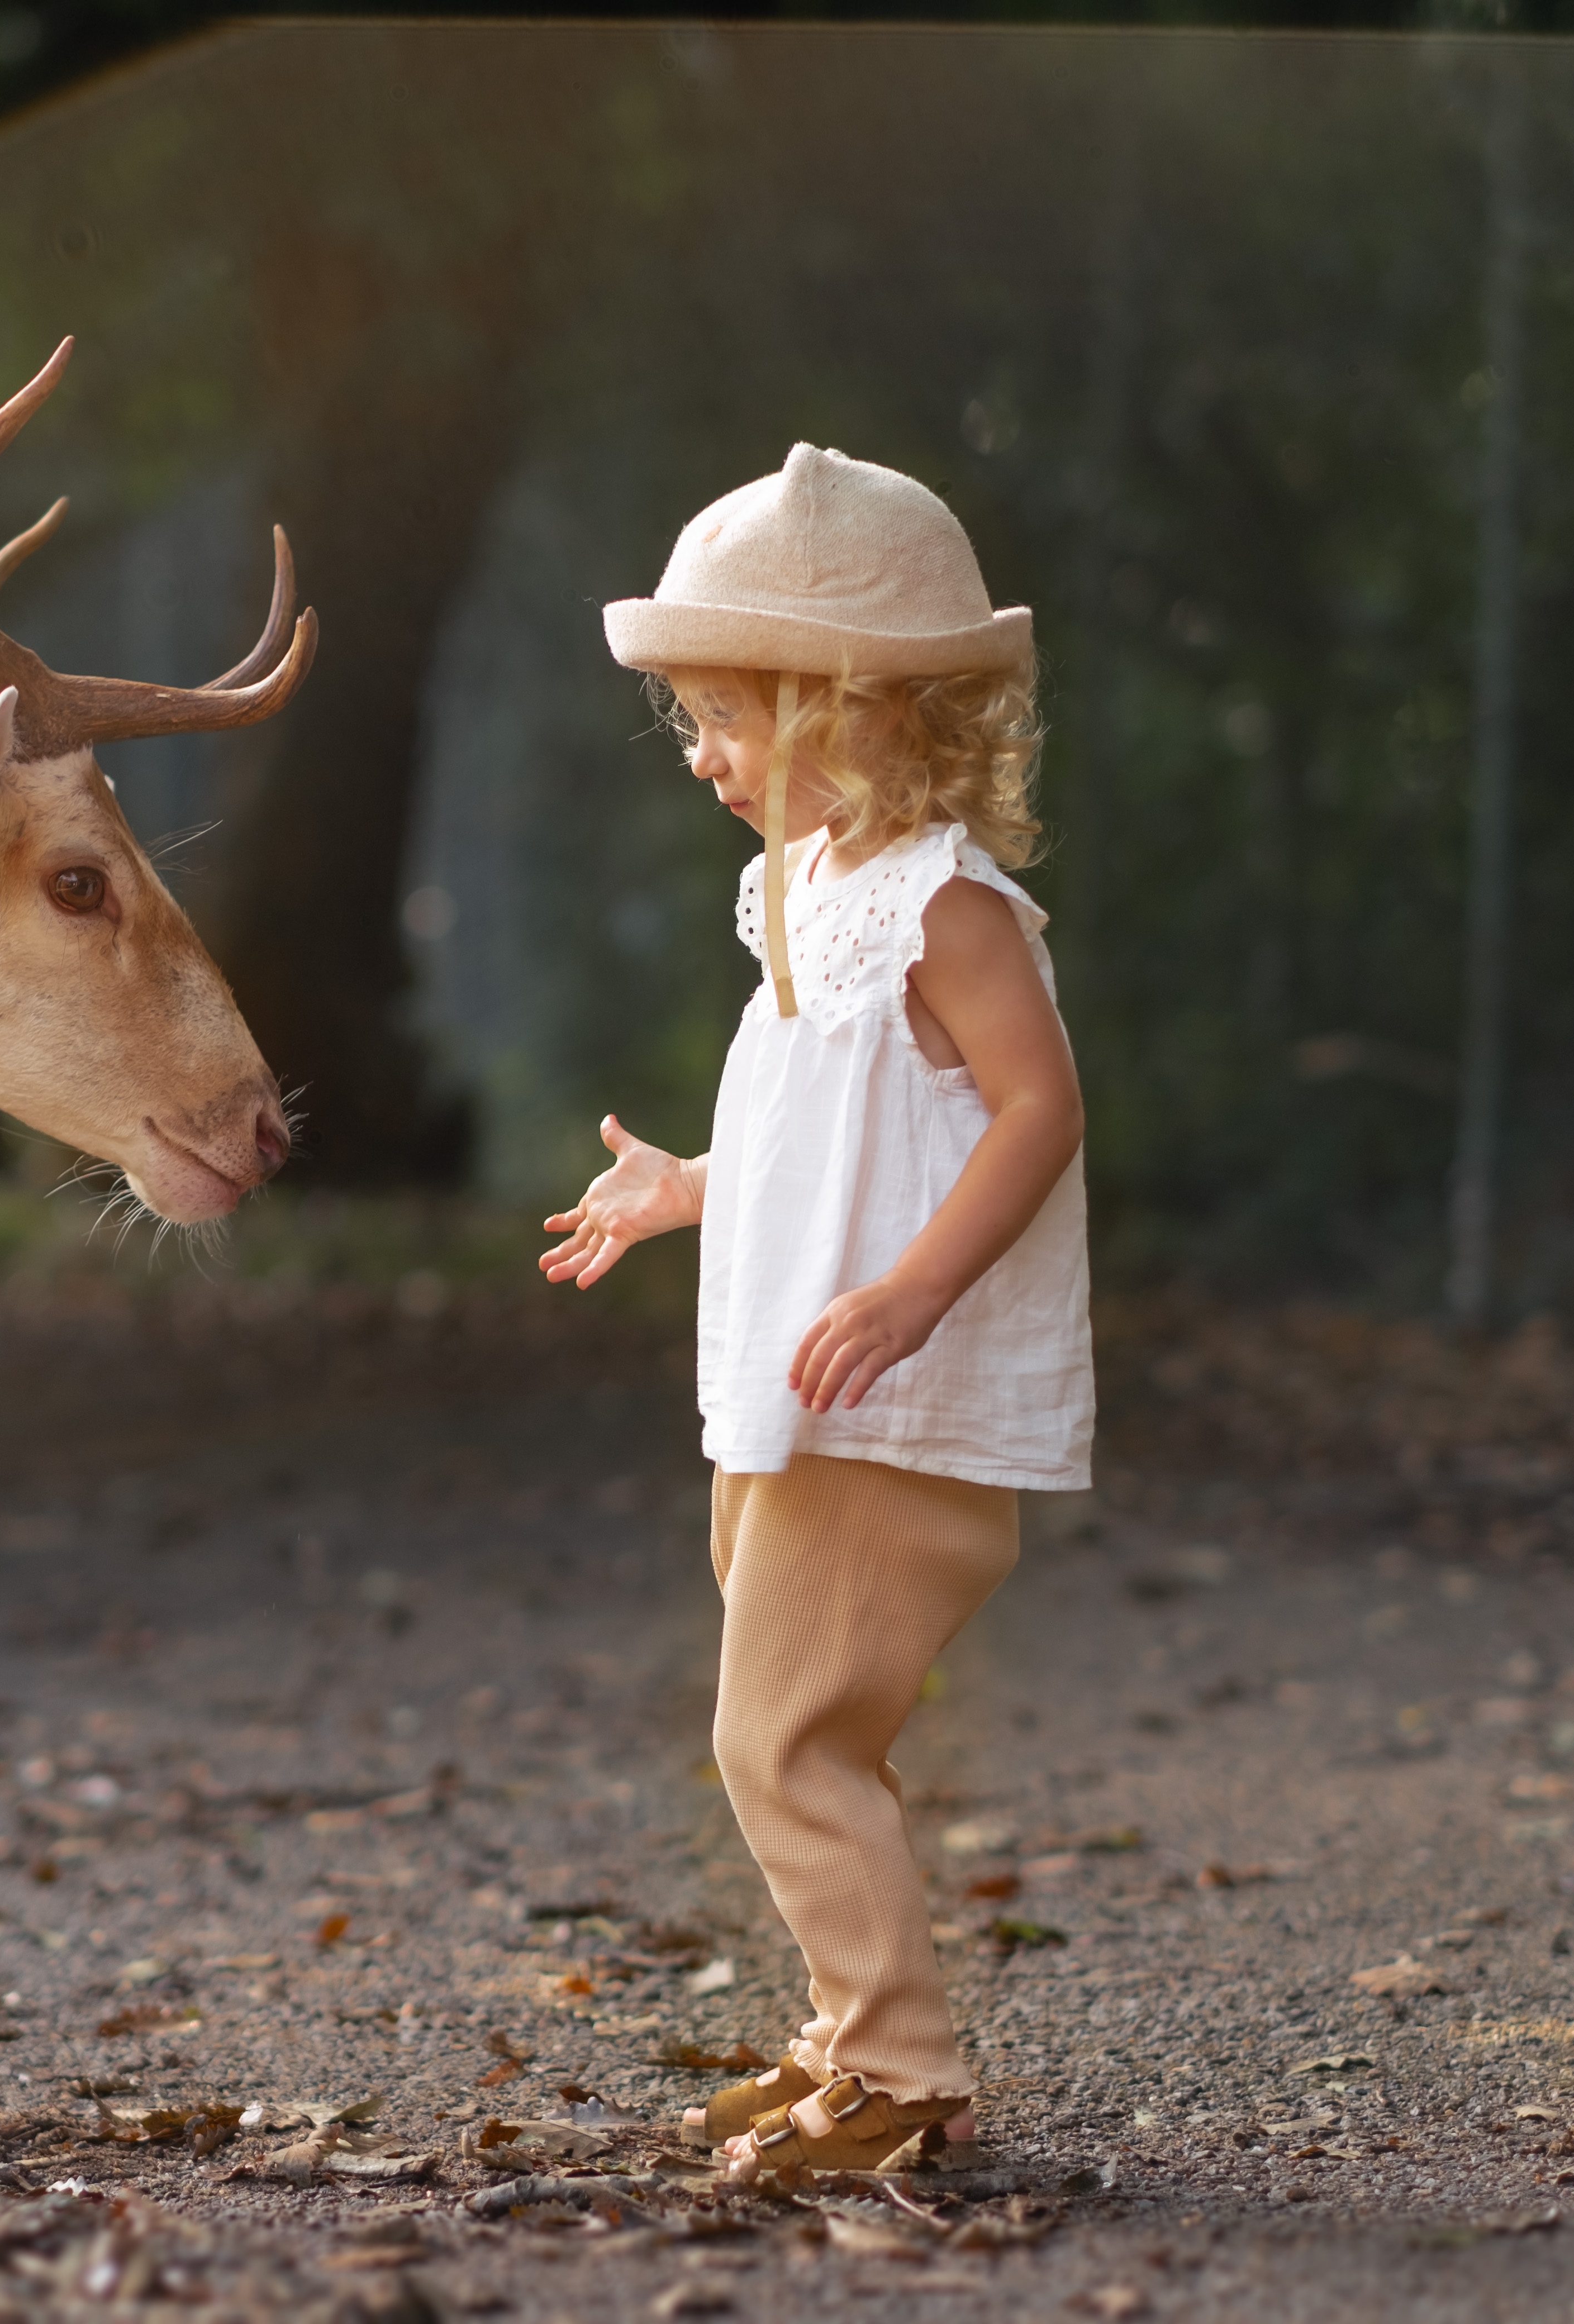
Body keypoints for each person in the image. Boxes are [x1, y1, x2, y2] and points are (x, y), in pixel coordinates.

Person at [539, 444, 1093, 2179]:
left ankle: (903, 2072)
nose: (697, 755)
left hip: (884, 1408)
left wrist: (920, 1291)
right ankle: (853, 2040)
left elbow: (1038, 1112)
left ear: (841, 706)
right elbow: (837, 1137)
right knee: (801, 1729)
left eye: (720, 718)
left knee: (778, 1738)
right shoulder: (809, 891)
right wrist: (691, 1186)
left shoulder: (948, 904)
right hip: (793, 1395)